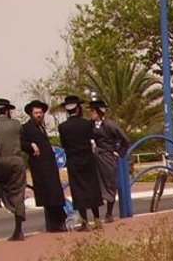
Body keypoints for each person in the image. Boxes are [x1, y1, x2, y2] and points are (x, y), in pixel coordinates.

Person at [20, 100, 68, 233]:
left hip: (50, 166)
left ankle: (59, 223)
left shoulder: (42, 126)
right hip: (39, 167)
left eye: (40, 112)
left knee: (55, 195)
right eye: (36, 113)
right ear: (31, 114)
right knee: (48, 195)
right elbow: (20, 142)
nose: (39, 115)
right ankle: (55, 224)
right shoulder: (26, 128)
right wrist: (30, 145)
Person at [0, 98, 28, 241]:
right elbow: (21, 139)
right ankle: (19, 230)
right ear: (8, 110)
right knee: (18, 192)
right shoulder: (16, 124)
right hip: (16, 161)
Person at [57, 94, 102, 231]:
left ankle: (84, 222)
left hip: (73, 161)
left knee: (78, 191)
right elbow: (93, 139)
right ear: (78, 108)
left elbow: (64, 144)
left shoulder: (62, 127)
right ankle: (97, 219)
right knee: (92, 188)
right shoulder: (87, 124)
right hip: (88, 159)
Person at [89, 99, 130, 223]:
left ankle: (109, 213)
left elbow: (125, 140)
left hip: (107, 156)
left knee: (109, 183)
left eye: (92, 111)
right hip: (95, 156)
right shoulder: (89, 125)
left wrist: (119, 153)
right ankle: (96, 216)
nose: (91, 113)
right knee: (94, 184)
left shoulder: (110, 125)